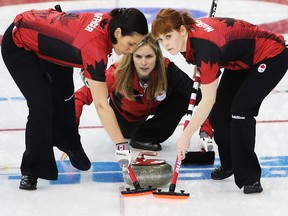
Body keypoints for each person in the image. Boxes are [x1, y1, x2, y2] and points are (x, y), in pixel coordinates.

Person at [1, 6, 148, 190]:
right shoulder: (95, 50)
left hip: (52, 46)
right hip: (20, 45)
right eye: (131, 44)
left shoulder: (110, 22)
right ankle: (32, 170)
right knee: (42, 106)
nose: (132, 50)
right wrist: (120, 145)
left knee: (65, 96)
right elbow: (102, 105)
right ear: (118, 33)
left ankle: (69, 143)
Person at [151, 8, 288, 194]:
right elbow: (214, 52)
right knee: (219, 113)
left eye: (168, 36)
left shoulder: (205, 48)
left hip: (271, 55)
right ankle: (230, 163)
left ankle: (250, 177)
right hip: (241, 60)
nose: (165, 44)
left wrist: (186, 135)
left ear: (182, 30)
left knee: (241, 110)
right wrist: (203, 66)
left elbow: (207, 99)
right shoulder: (193, 41)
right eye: (160, 40)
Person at [68, 34, 213, 154]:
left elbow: (199, 97)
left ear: (157, 57)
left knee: (183, 96)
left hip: (154, 111)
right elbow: (80, 97)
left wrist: (205, 131)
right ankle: (137, 134)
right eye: (138, 57)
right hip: (126, 119)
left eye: (149, 56)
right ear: (131, 57)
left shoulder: (168, 69)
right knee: (129, 132)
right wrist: (71, 138)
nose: (144, 63)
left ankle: (146, 136)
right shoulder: (117, 73)